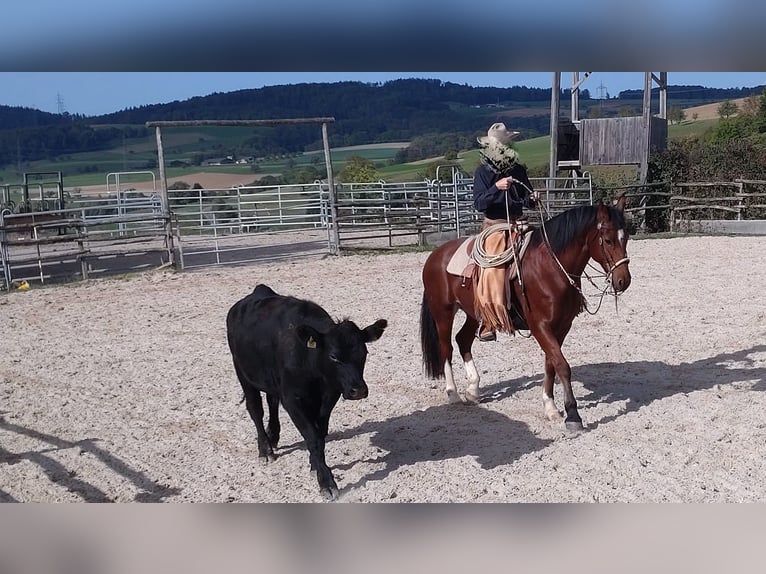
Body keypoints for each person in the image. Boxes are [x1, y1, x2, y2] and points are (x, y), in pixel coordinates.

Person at [472, 122, 539, 342]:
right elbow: (479, 203)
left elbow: (525, 199)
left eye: (506, 144)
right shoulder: (482, 172)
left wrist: (532, 199)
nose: (503, 148)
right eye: (499, 144)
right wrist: (496, 188)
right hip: (495, 226)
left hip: (520, 222)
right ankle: (489, 320)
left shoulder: (518, 169)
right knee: (493, 265)